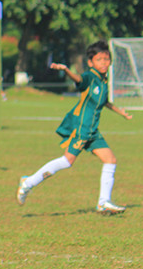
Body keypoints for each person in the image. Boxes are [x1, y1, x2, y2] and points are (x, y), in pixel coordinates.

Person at [15, 40, 132, 214]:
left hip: (92, 130)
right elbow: (79, 79)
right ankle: (28, 183)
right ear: (91, 62)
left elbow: (104, 101)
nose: (104, 63)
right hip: (82, 128)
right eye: (99, 60)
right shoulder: (91, 76)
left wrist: (120, 112)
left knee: (110, 160)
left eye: (106, 59)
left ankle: (103, 202)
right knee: (67, 161)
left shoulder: (103, 80)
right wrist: (66, 70)